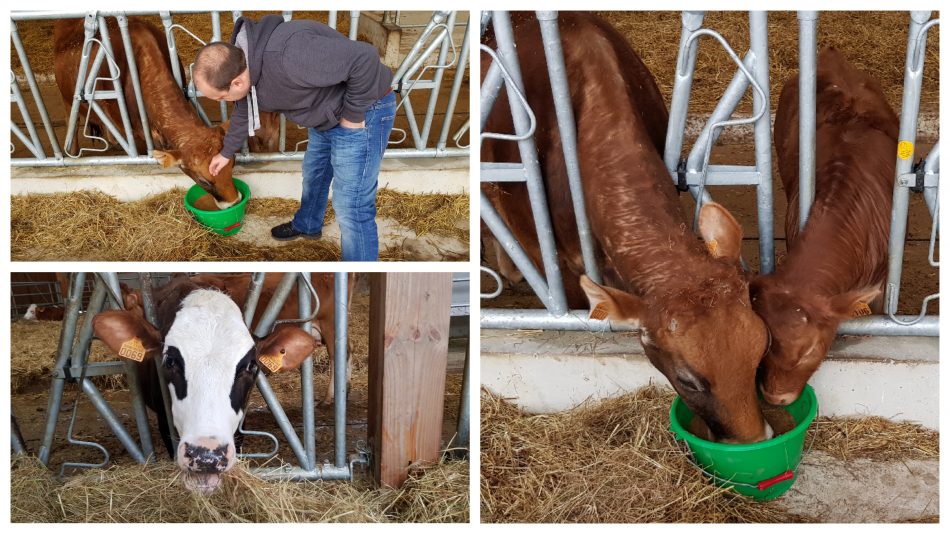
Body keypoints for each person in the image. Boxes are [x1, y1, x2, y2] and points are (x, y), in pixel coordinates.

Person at [193, 14, 396, 261]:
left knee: (351, 205)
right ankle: (308, 224)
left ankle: (354, 271)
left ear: (236, 82)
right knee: (315, 174)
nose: (223, 103)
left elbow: (364, 58)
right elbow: (244, 108)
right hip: (326, 114)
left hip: (363, 111)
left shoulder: (292, 55)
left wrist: (352, 118)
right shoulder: (245, 64)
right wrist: (226, 154)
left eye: (221, 98)